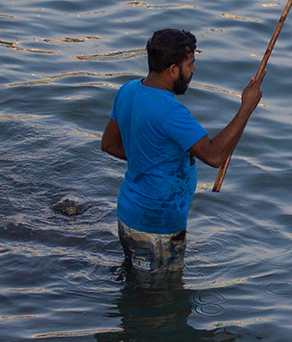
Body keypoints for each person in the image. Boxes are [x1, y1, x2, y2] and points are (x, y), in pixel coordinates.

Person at [100, 28, 262, 282]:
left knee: (139, 285)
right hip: (157, 228)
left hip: (128, 214)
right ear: (173, 70)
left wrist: (150, 161)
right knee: (162, 302)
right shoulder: (171, 111)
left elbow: (109, 144)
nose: (194, 70)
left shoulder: (128, 91)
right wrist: (246, 108)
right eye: (191, 64)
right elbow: (214, 156)